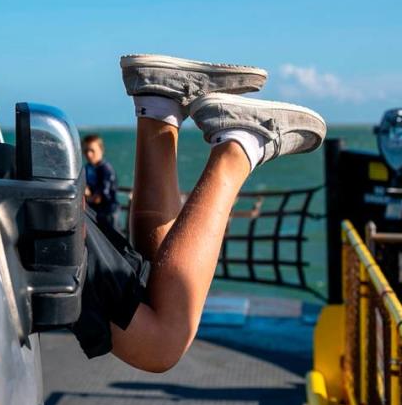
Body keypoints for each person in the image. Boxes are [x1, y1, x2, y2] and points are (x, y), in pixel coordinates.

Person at [73, 53, 326, 372]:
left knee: (160, 343)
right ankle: (158, 103)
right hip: (24, 201)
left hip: (26, 225)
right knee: (151, 293)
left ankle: (241, 145)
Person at [82, 134, 120, 230]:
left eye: (92, 150)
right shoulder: (87, 168)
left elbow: (100, 197)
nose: (88, 154)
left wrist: (88, 197)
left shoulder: (106, 169)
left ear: (101, 150)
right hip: (95, 212)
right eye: (86, 151)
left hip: (108, 214)